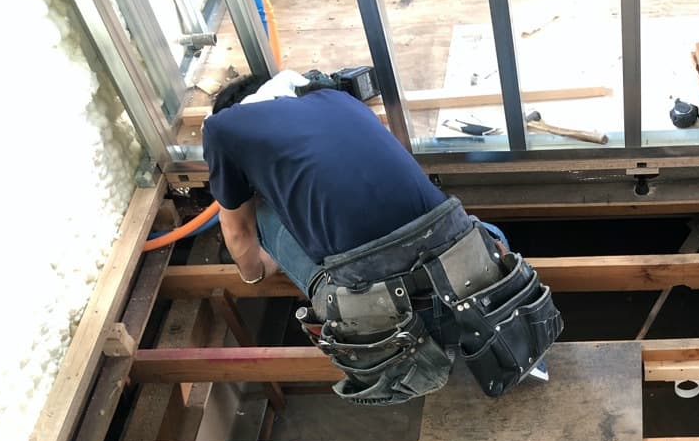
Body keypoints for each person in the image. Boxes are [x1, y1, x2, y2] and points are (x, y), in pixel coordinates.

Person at [202, 71, 561, 405]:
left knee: (259, 212)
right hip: (476, 283)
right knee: (474, 228)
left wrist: (256, 273)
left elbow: (237, 230)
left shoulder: (222, 128)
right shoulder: (337, 99)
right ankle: (499, 324)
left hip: (391, 327)